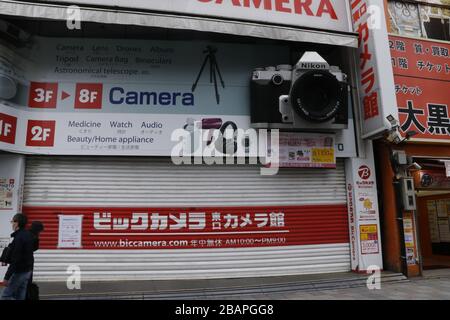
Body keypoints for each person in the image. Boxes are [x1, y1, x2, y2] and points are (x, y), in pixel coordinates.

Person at [0, 213, 34, 300]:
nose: (12, 224)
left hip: (19, 272)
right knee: (19, 296)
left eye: (12, 222)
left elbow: (16, 260)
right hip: (27, 271)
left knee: (5, 296)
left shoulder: (19, 238)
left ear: (17, 223)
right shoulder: (28, 235)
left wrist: (6, 277)